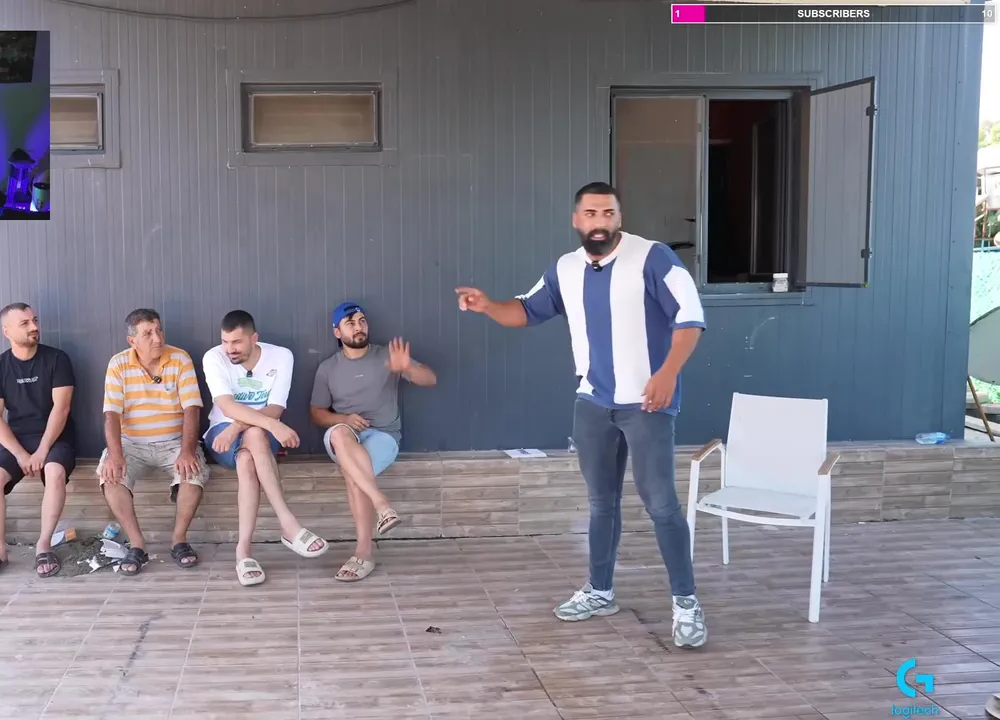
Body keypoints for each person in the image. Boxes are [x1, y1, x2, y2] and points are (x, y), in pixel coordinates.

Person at [455, 181, 709, 649]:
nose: (600, 222)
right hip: (592, 403)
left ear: (619, 217)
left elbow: (689, 320)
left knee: (661, 504)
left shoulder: (653, 258)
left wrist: (668, 373)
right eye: (591, 214)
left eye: (608, 213)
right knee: (601, 503)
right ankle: (599, 591)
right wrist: (488, 305)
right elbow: (526, 311)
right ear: (576, 220)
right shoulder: (565, 268)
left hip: (647, 404)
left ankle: (686, 603)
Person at [309, 302, 436, 581]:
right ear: (337, 332)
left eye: (362, 321)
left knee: (354, 473)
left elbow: (430, 378)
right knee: (340, 435)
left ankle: (364, 553)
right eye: (350, 323)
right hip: (344, 434)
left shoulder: (386, 356)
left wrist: (407, 368)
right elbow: (317, 413)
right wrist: (343, 418)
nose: (358, 327)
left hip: (384, 436)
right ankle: (381, 504)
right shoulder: (328, 368)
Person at [201, 310, 327, 586]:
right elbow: (227, 406)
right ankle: (288, 524)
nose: (230, 349)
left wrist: (239, 427)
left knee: (251, 448)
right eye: (225, 342)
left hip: (253, 433)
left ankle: (243, 551)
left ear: (254, 338)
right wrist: (270, 426)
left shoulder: (281, 356)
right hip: (221, 434)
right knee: (257, 434)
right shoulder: (214, 357)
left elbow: (276, 408)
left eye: (237, 342)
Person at [98, 309, 209, 574]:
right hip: (132, 443)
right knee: (110, 476)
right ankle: (137, 544)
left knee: (193, 473)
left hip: (174, 441)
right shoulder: (118, 364)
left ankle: (179, 540)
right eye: (148, 333)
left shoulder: (179, 358)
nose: (157, 338)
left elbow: (192, 409)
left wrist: (187, 451)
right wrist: (115, 455)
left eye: (159, 330)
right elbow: (111, 414)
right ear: (132, 340)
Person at [0, 303, 77, 579]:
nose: (34, 327)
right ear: (7, 331)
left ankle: (44, 545)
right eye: (25, 323)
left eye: (34, 320)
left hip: (55, 437)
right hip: (17, 438)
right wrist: (21, 454)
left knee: (54, 471)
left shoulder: (57, 359)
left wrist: (43, 450)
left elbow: (62, 409)